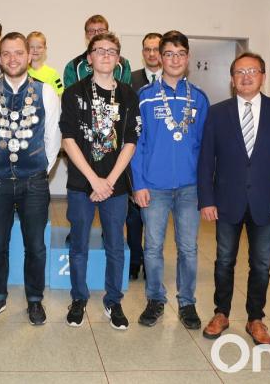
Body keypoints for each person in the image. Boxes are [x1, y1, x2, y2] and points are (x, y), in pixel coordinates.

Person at [198, 52, 270, 345]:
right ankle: (221, 313)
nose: (246, 76)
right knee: (223, 261)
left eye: (252, 71)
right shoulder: (217, 113)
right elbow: (206, 160)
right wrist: (206, 199)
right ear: (232, 80)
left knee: (261, 264)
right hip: (226, 201)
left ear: (262, 76)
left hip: (267, 203)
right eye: (240, 72)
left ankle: (256, 319)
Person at [0, 32, 61, 325]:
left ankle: (35, 300)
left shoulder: (46, 91)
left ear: (29, 56)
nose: (13, 59)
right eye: (7, 54)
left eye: (18, 53)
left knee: (35, 245)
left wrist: (40, 171)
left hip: (33, 181)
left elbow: (53, 137)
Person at [59, 33, 139, 330]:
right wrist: (94, 180)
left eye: (112, 51)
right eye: (99, 50)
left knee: (115, 245)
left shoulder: (129, 95)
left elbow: (130, 141)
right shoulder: (73, 93)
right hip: (82, 184)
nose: (106, 55)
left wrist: (109, 182)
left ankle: (113, 301)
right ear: (89, 57)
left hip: (116, 186)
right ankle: (79, 298)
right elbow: (68, 140)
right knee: (78, 244)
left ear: (118, 59)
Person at [131, 30, 209, 330]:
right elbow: (137, 145)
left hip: (189, 187)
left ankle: (187, 303)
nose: (174, 59)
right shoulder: (145, 97)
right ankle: (155, 299)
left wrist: (206, 187)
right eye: (168, 54)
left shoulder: (199, 98)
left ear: (187, 58)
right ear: (158, 58)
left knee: (188, 248)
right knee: (152, 247)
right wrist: (138, 183)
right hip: (154, 186)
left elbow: (204, 147)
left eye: (180, 54)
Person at [126, 32, 163, 280]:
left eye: (156, 49)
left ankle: (152, 264)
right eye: (147, 49)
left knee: (156, 219)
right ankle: (135, 260)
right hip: (134, 156)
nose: (151, 53)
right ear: (143, 52)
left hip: (159, 161)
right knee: (133, 217)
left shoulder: (172, 81)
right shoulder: (132, 80)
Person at [62, 14, 131, 88]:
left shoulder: (123, 64)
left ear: (107, 32)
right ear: (86, 35)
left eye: (101, 30)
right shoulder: (73, 66)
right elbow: (71, 96)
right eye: (91, 31)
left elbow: (126, 94)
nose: (96, 34)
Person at [27, 31, 63, 96]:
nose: (35, 50)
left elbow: (60, 96)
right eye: (31, 47)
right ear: (26, 48)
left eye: (39, 47)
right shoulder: (21, 72)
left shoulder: (53, 74)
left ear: (45, 49)